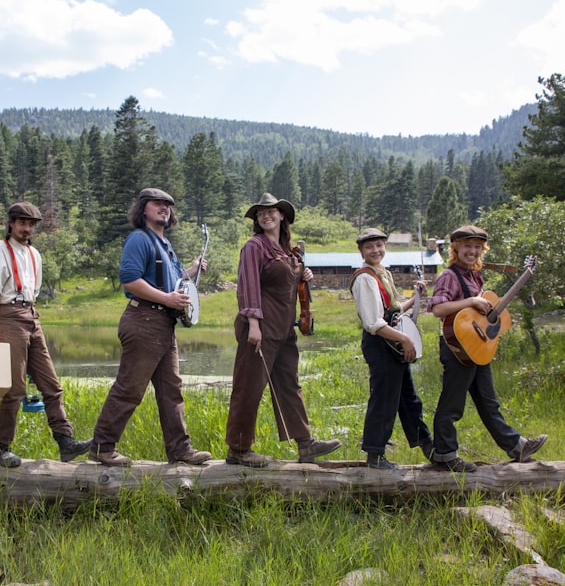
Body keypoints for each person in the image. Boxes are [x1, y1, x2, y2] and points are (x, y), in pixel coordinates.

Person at [86, 188, 212, 467]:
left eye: (168, 205)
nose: (164, 208)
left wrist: (191, 271)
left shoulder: (165, 245)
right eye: (158, 204)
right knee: (130, 388)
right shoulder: (139, 239)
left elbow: (175, 279)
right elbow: (130, 280)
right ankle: (102, 446)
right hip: (144, 320)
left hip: (163, 325)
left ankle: (180, 450)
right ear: (144, 209)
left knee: (171, 390)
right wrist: (168, 298)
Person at [224, 193, 342, 468]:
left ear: (282, 217)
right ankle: (239, 450)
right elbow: (248, 285)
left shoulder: (286, 251)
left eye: (271, 211)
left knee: (290, 385)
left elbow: (285, 282)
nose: (266, 216)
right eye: (261, 213)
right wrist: (253, 324)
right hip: (260, 330)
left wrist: (303, 272)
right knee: (248, 388)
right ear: (257, 220)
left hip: (284, 332)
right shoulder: (254, 247)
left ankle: (305, 443)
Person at [0, 201, 90, 467]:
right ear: (11, 223)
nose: (26, 229)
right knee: (14, 389)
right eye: (22, 223)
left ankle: (66, 442)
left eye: (31, 224)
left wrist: (32, 318)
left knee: (51, 385)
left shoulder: (35, 254)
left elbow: (32, 291)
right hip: (8, 317)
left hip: (31, 316)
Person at [427, 224, 547, 472]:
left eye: (477, 247)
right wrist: (471, 300)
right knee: (452, 404)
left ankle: (517, 446)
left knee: (489, 402)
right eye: (467, 246)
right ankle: (445, 455)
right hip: (457, 347)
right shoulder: (449, 276)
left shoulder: (475, 275)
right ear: (456, 248)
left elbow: (477, 315)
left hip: (478, 347)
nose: (472, 251)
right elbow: (438, 309)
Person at [350, 227, 433, 470]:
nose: (375, 250)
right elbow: (373, 323)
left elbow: (394, 312)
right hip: (380, 343)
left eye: (379, 245)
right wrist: (406, 340)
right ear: (361, 251)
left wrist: (416, 297)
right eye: (369, 247)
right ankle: (375, 455)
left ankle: (427, 445)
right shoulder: (365, 278)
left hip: (392, 340)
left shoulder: (383, 273)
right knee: (384, 399)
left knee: (408, 398)